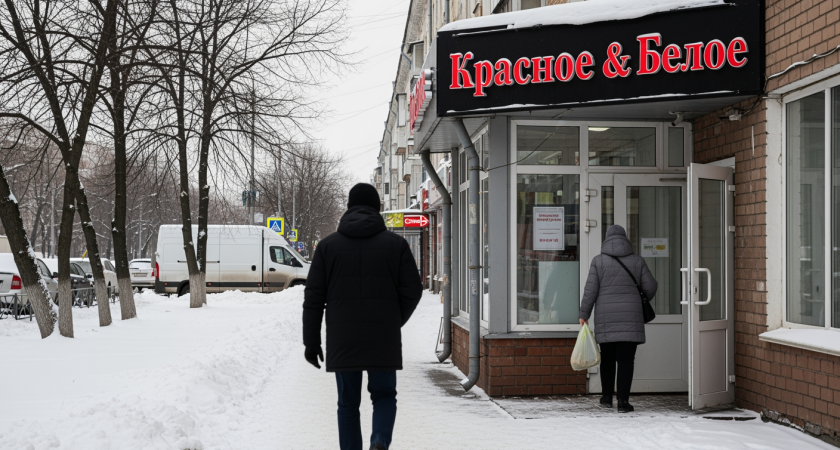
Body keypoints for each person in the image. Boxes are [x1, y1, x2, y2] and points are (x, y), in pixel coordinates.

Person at [303, 183, 423, 450]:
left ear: (348, 208)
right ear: (377, 209)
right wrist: (393, 320)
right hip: (383, 337)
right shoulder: (397, 245)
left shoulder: (326, 247)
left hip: (343, 338)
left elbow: (313, 299)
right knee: (383, 395)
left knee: (347, 404)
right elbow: (413, 290)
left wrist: (311, 343)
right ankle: (379, 440)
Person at [579, 225, 657, 413]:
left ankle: (606, 397)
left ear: (606, 240)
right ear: (625, 239)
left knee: (607, 358)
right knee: (626, 360)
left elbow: (590, 291)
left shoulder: (598, 261)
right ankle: (623, 402)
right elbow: (651, 286)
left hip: (606, 318)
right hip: (631, 316)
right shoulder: (637, 261)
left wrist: (584, 314)